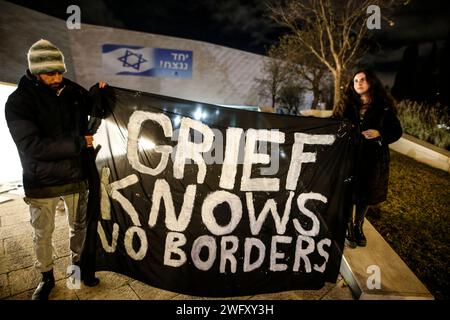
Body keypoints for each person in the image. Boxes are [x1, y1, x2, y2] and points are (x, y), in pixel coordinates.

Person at [5, 39, 109, 300]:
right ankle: (46, 277)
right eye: (51, 73)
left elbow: (95, 107)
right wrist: (78, 143)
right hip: (41, 181)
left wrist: (99, 92)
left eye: (61, 71)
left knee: (80, 229)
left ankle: (79, 268)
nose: (58, 77)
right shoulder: (18, 102)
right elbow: (32, 146)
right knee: (43, 234)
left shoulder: (72, 91)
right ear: (35, 71)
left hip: (76, 175)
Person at [333, 69, 402, 248]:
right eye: (355, 80)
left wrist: (380, 133)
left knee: (365, 193)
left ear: (371, 82)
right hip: (350, 156)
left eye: (362, 79)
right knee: (348, 191)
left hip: (372, 159)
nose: (359, 83)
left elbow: (396, 131)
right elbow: (333, 122)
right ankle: (348, 225)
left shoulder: (384, 107)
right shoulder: (347, 104)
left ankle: (358, 225)